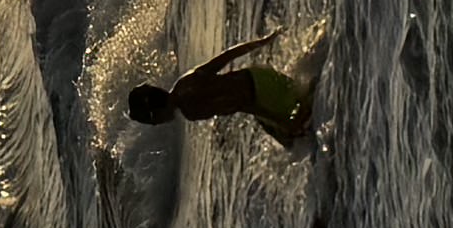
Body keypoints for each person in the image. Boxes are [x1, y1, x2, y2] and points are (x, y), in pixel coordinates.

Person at [123, 33, 312, 150]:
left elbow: (241, 103)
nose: (156, 124)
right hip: (258, 75)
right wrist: (263, 41)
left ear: (155, 114)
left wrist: (281, 121)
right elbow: (228, 55)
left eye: (152, 121)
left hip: (263, 95)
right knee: (301, 108)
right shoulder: (184, 82)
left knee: (302, 126)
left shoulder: (190, 109)